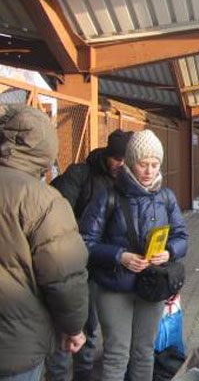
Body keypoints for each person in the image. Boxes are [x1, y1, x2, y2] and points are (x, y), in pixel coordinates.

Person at [79, 129, 188, 381]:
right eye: (143, 164)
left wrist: (169, 251)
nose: (149, 171)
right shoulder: (107, 195)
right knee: (117, 354)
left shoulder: (166, 197)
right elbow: (85, 241)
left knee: (144, 351)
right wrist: (119, 256)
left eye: (155, 164)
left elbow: (181, 236)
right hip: (114, 287)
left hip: (152, 285)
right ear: (130, 162)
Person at [0, 104, 89, 380]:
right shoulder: (42, 200)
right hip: (15, 346)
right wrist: (74, 327)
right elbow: (64, 275)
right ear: (47, 147)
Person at [46, 129, 133, 381]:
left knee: (90, 326)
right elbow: (57, 213)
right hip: (71, 262)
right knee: (66, 327)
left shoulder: (127, 182)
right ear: (107, 155)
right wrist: (83, 235)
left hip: (101, 263)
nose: (120, 164)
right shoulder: (80, 175)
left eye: (125, 159)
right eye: (116, 158)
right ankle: (58, 375)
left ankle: (83, 374)